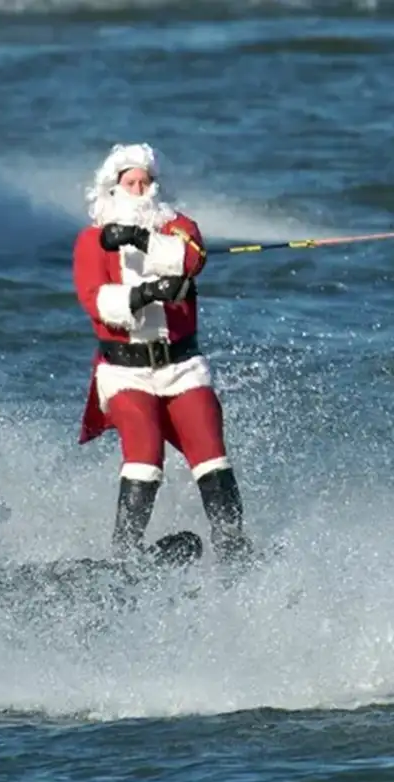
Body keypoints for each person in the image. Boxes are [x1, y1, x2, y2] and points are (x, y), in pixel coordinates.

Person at [72, 142, 254, 566]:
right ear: (113, 188)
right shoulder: (91, 242)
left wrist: (140, 237)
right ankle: (123, 555)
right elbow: (97, 302)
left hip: (182, 367)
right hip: (126, 372)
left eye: (145, 181)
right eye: (130, 182)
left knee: (211, 453)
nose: (139, 189)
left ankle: (233, 546)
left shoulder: (176, 226)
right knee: (145, 453)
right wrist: (146, 293)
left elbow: (191, 257)